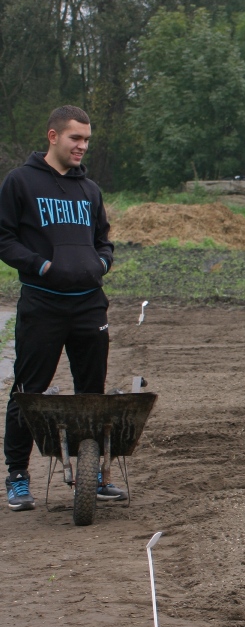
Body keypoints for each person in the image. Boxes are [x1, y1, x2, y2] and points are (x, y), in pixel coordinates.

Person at [0, 105, 122, 511]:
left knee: (92, 394)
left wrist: (101, 263)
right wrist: (43, 266)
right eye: (75, 138)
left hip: (89, 305)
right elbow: (4, 238)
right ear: (53, 136)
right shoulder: (20, 182)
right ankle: (18, 476)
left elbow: (103, 240)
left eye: (86, 139)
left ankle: (95, 474)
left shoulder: (90, 190)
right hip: (42, 305)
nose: (82, 146)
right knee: (28, 391)